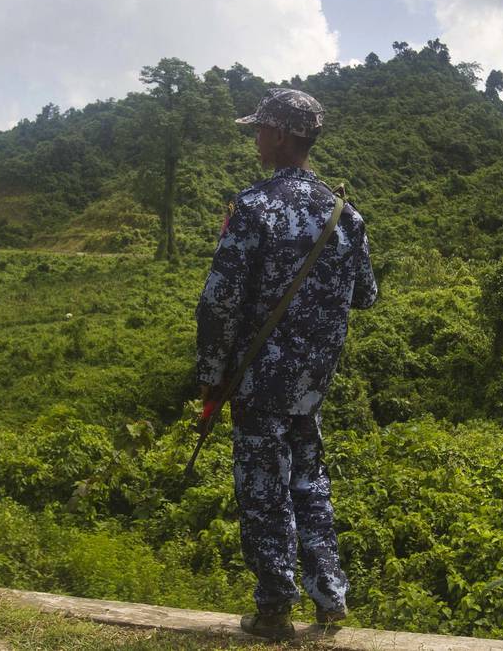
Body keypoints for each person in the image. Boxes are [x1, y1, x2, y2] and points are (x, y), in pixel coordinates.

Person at [195, 88, 378, 640]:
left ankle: (274, 608)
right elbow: (365, 295)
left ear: (279, 135)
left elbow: (218, 303)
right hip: (310, 385)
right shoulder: (347, 217)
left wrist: (211, 376)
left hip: (257, 380)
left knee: (262, 488)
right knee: (310, 481)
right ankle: (330, 597)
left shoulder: (253, 208)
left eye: (259, 130)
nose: (255, 140)